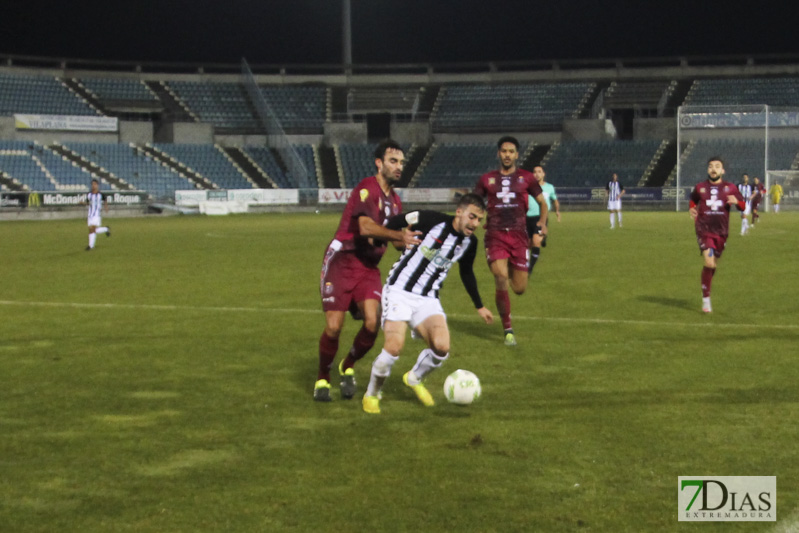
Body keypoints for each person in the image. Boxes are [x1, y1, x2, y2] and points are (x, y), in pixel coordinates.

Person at [362, 194, 494, 414]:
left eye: (479, 219)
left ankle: (414, 378)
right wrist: (394, 237)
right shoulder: (430, 219)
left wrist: (479, 305)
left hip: (428, 298)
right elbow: (398, 220)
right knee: (394, 347)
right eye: (472, 217)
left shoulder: (470, 243)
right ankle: (372, 394)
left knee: (442, 348)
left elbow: (467, 272)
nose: (475, 224)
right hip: (399, 291)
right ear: (459, 212)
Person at [315, 139, 422, 402]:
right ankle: (322, 378)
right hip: (343, 260)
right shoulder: (367, 188)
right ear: (379, 163)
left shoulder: (396, 202)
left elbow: (398, 242)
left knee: (373, 324)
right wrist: (398, 234)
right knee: (333, 328)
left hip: (368, 267)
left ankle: (347, 365)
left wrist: (416, 243)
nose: (399, 167)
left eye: (401, 163)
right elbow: (364, 227)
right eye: (393, 161)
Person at [474, 136, 548, 347]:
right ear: (498, 153)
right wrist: (473, 220)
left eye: (511, 151)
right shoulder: (486, 179)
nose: (507, 155)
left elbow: (543, 204)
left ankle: (517, 271)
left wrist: (541, 224)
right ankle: (507, 328)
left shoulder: (527, 178)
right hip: (495, 234)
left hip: (519, 236)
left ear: (517, 155)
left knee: (519, 288)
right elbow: (475, 202)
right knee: (499, 276)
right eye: (504, 151)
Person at [689, 156, 746, 313]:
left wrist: (737, 202)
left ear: (722, 170)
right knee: (708, 262)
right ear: (708, 170)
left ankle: (707, 286)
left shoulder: (731, 187)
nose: (713, 169)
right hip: (704, 229)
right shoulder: (700, 187)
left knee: (713, 264)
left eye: (717, 166)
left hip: (721, 232)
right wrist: (691, 208)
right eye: (710, 166)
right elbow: (693, 200)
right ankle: (706, 300)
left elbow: (743, 206)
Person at [526, 165, 561, 274]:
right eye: (535, 172)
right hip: (527, 218)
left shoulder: (549, 187)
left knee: (536, 241)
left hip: (541, 217)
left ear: (543, 174)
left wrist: (557, 211)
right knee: (528, 244)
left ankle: (529, 268)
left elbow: (555, 200)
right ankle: (544, 237)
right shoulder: (528, 187)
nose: (537, 174)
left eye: (539, 171)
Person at [84, 179, 110, 250]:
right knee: (91, 230)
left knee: (92, 229)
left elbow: (105, 199)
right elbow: (87, 202)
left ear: (97, 185)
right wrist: (83, 203)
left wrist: (106, 207)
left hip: (97, 215)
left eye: (95, 184)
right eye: (92, 184)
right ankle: (106, 229)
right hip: (90, 215)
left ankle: (90, 246)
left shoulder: (100, 194)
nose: (93, 186)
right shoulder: (89, 194)